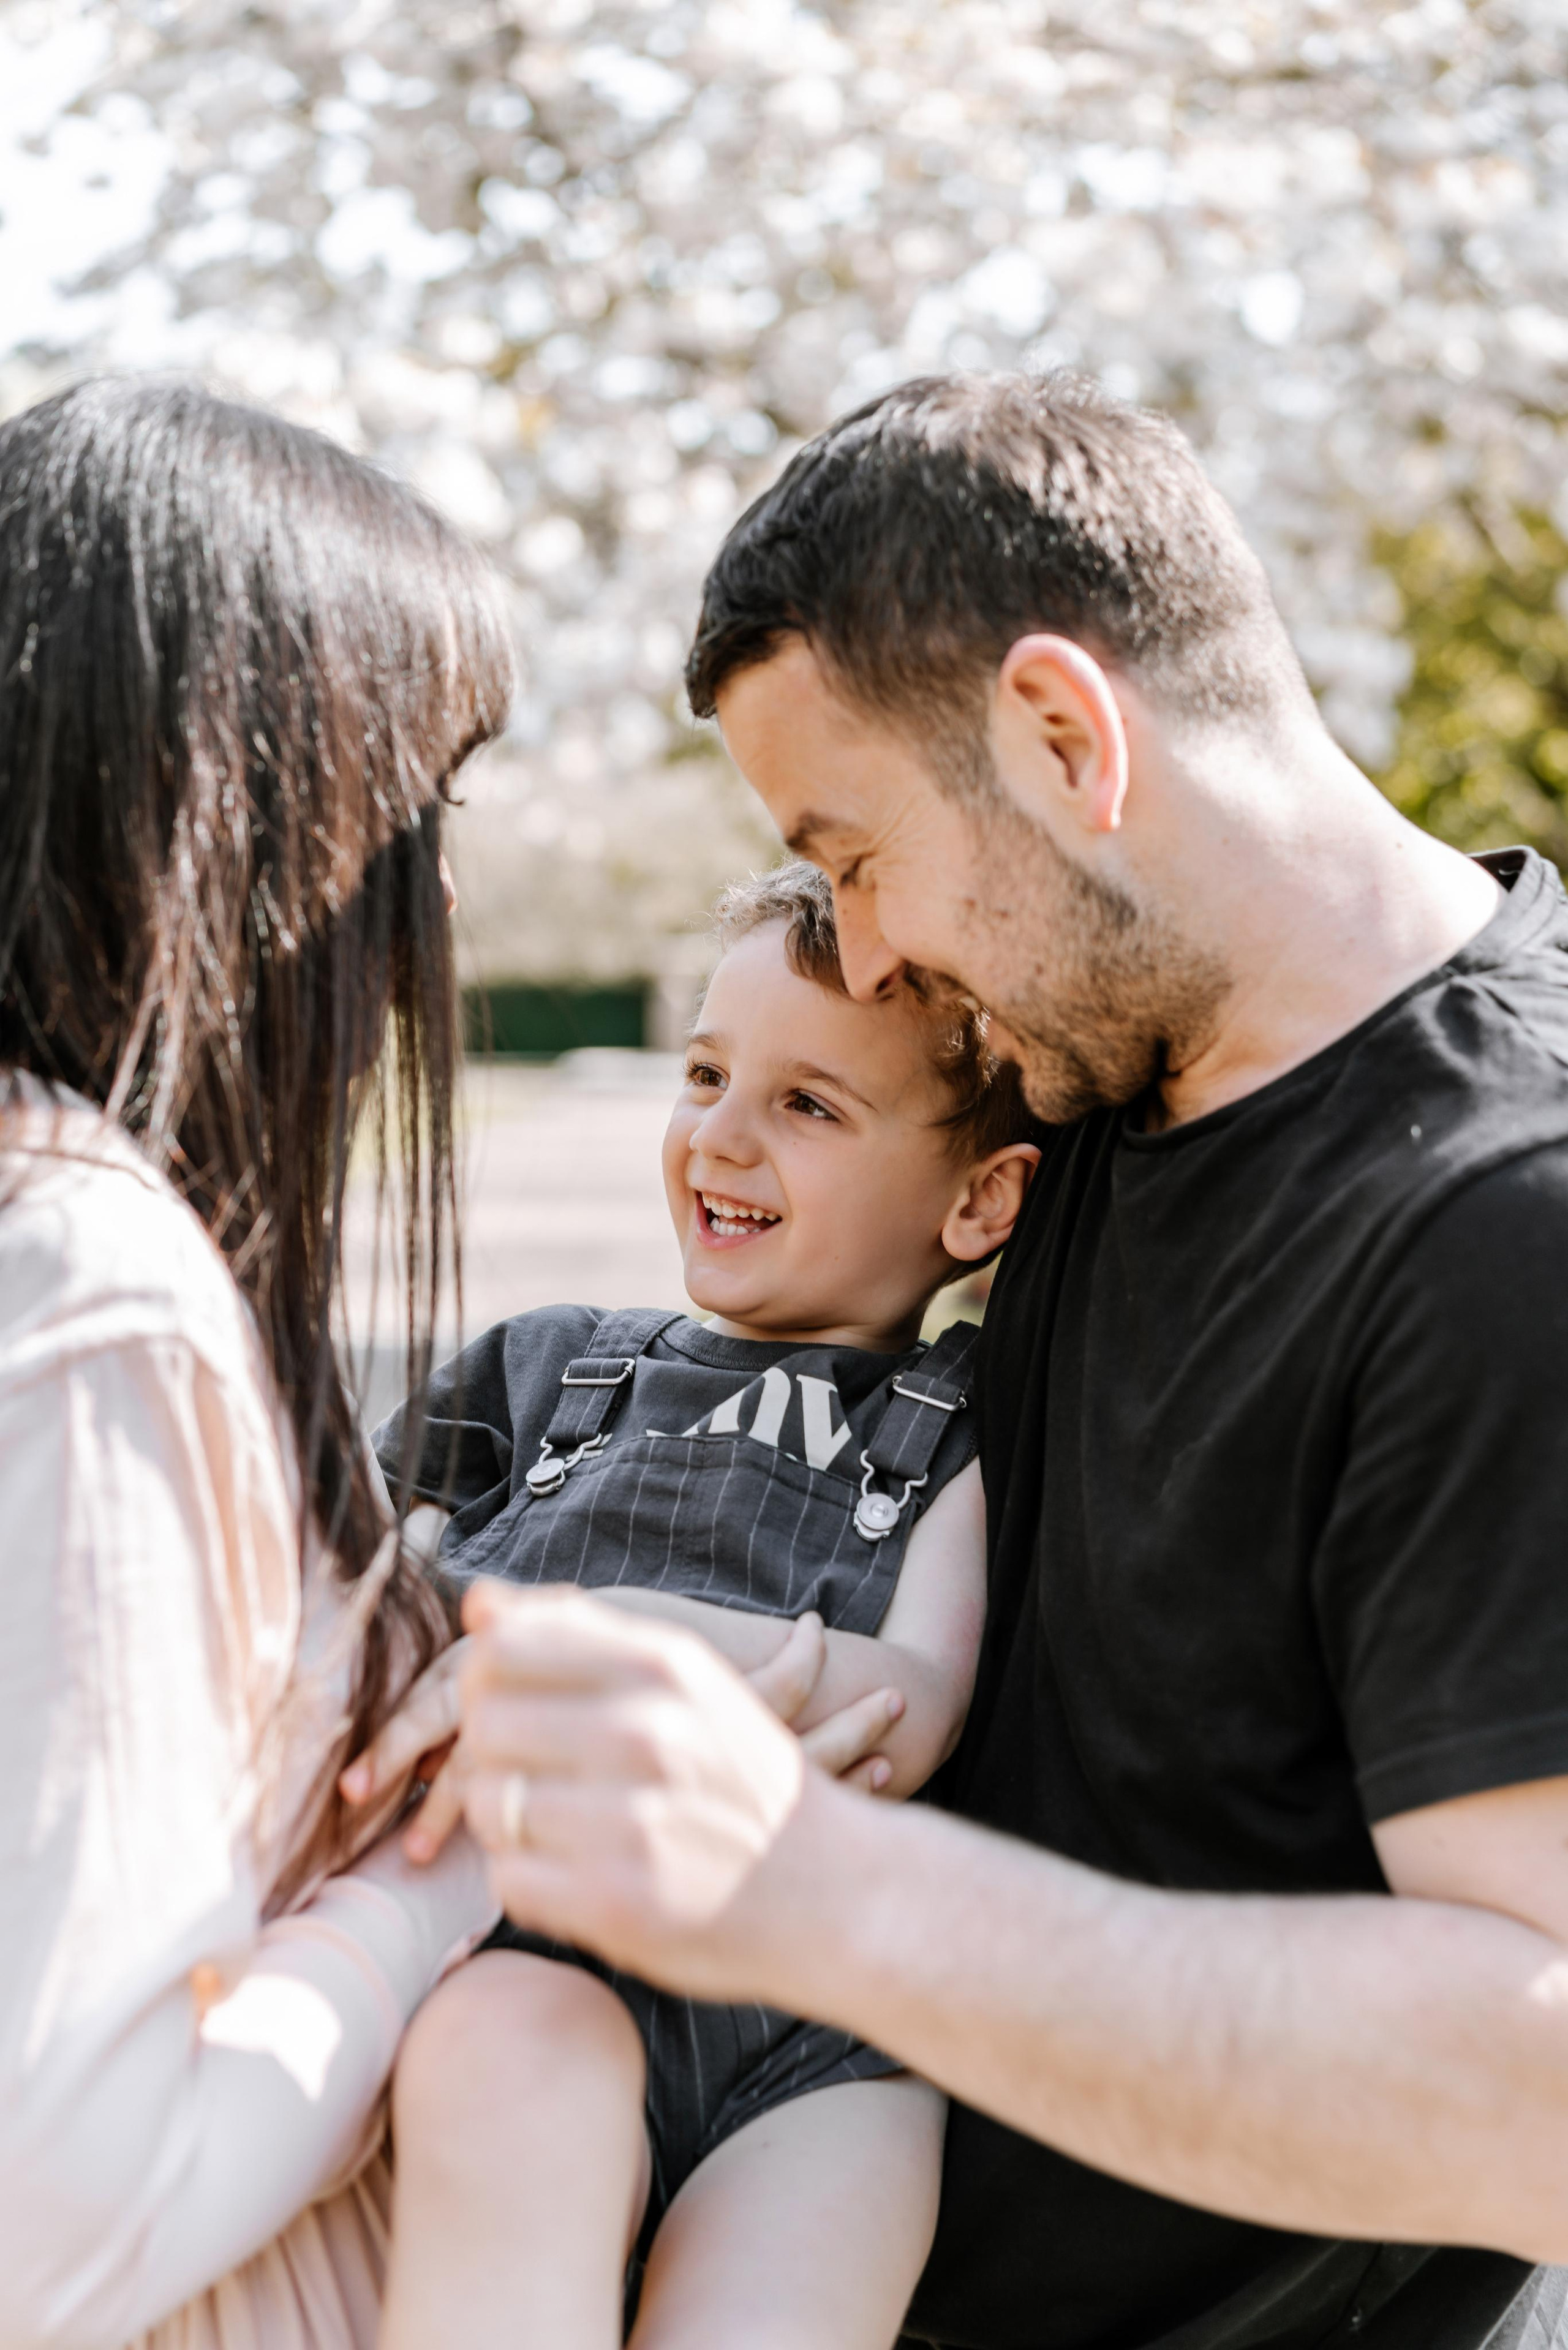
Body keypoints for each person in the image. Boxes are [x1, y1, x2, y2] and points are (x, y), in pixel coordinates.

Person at [452, 371, 1568, 2350]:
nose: (861, 958)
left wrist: (809, 1883)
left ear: (1064, 734)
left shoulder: (1509, 1226)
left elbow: (1542, 2086)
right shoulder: (1088, 1080)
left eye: (855, 851)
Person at [347, 860, 1041, 2349]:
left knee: (804, 2269)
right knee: (511, 2075)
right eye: (708, 1072)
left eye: (807, 1104)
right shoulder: (552, 1370)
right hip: (527, 1946)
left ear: (980, 1199)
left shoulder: (956, 1428)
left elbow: (903, 1702)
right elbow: (350, 1607)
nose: (718, 1131)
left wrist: (589, 1645)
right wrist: (756, 1675)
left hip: (821, 2035)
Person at [0, 377, 518, 2350]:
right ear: (241, 818)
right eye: (421, 812)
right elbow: (56, 2207)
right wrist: (421, 1881)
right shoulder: (85, 1283)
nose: (439, 903)